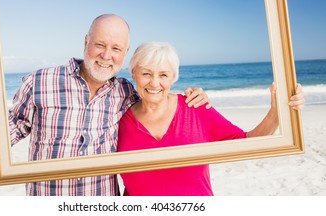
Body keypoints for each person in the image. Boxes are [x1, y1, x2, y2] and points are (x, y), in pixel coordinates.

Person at [0, 14, 210, 196]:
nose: (107, 55)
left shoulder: (126, 92)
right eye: (100, 44)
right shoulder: (40, 81)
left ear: (125, 53)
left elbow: (156, 97)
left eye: (116, 48)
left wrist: (193, 97)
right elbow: (12, 131)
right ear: (86, 42)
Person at [117, 41, 305, 196]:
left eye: (163, 75)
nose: (155, 83)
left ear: (173, 77)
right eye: (146, 73)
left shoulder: (195, 107)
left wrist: (277, 112)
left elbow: (247, 143)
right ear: (134, 73)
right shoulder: (120, 120)